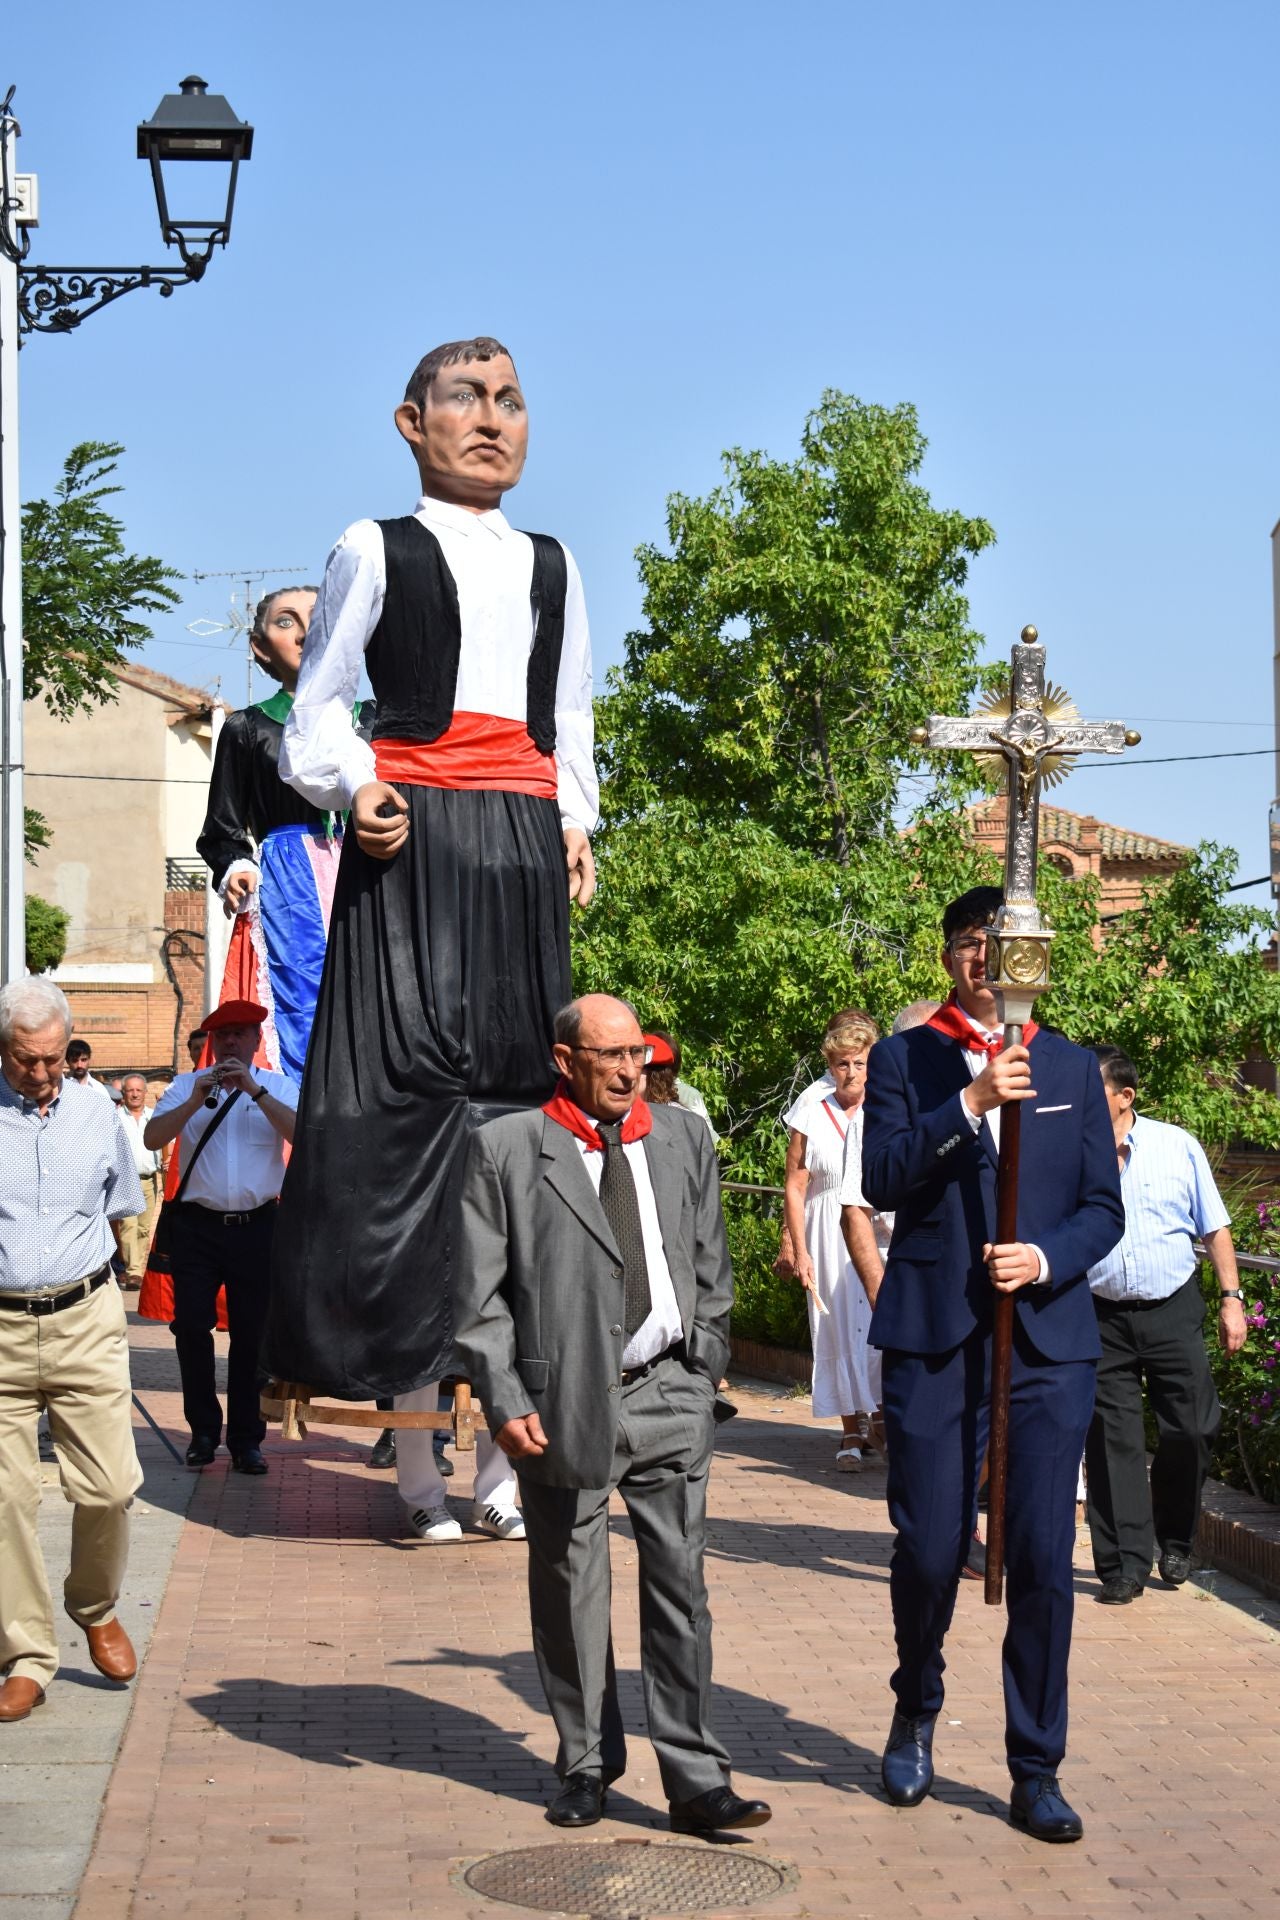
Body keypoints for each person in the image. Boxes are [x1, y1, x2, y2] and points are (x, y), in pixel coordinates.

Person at [267, 335, 598, 1402]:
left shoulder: (552, 560)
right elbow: (314, 712)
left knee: (519, 1090)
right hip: (411, 831)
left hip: (518, 838)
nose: (493, 419)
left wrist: (574, 818)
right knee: (403, 1093)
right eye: (466, 399)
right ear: (414, 423)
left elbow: (571, 709)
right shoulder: (374, 545)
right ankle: (400, 1400)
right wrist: (353, 786)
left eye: (509, 399)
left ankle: (506, 1413)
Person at [454, 993, 769, 1837]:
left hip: (671, 1392)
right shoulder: (507, 1149)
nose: (632, 1071)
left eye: (639, 1054)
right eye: (612, 1057)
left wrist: (704, 1367)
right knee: (571, 1589)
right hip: (563, 1407)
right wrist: (505, 1398)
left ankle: (697, 1780)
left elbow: (710, 1261)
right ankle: (587, 1764)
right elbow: (478, 1297)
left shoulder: (681, 1138)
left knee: (681, 1590)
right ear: (566, 1061)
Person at [861, 886, 1123, 1843]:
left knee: (1046, 1562)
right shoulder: (904, 1058)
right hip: (937, 1335)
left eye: (1004, 945)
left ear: (1035, 958)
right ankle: (916, 1702)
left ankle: (1035, 1765)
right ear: (948, 957)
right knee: (931, 1548)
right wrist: (969, 1102)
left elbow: (1104, 1207)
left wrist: (1045, 1256)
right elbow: (882, 1176)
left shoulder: (1070, 1065)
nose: (987, 960)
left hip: (1048, 1345)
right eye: (971, 944)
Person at [0, 980, 144, 1723]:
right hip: (1, 1328)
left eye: (54, 1058)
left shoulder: (96, 1112)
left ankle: (94, 1604)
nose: (44, 1073)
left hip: (85, 1316)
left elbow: (123, 1208)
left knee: (112, 1486)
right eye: (28, 1060)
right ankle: (26, 1653)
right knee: (5, 1499)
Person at [1084, 1045, 1245, 1603]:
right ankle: (1122, 1567)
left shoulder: (1177, 1146)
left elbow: (1215, 1227)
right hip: (1099, 1313)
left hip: (1172, 1306)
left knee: (1193, 1428)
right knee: (1111, 1441)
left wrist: (1231, 1297)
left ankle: (1175, 1536)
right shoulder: (1069, 1149)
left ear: (1124, 1098)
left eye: (1092, 1088)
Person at [198, 584, 374, 1084]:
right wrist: (236, 865)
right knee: (300, 1006)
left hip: (368, 865)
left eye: (318, 617)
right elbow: (222, 830)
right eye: (285, 620)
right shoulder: (246, 729)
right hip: (290, 885)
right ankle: (302, 1130)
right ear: (259, 648)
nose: (303, 629)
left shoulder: (374, 720)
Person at [144, 1000, 298, 1474]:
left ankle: (247, 1440)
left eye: (240, 1034)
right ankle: (203, 1432)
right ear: (212, 1040)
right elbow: (153, 1138)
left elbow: (304, 1134)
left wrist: (255, 1092)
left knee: (252, 1335)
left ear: (256, 1039)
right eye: (223, 1034)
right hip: (198, 1227)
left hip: (257, 1225)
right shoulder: (186, 1087)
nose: (231, 1042)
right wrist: (193, 1101)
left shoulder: (277, 1085)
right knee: (191, 1328)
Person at [782, 1010, 884, 1470]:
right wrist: (799, 1248)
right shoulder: (811, 1103)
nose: (851, 1072)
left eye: (860, 1062)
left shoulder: (886, 1101)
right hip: (825, 1224)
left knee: (880, 1322)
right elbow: (795, 1182)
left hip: (876, 1224)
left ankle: (882, 1420)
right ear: (831, 1063)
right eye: (843, 1063)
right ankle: (849, 1428)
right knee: (836, 1325)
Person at [115, 1073, 162, 1291]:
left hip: (149, 1180)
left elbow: (164, 1144)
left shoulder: (154, 1117)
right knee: (128, 1225)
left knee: (143, 1228)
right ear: (124, 1093)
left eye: (138, 1090)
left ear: (144, 1093)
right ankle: (134, 1272)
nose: (134, 1094)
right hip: (125, 1180)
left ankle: (135, 1269)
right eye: (130, 1090)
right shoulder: (115, 1118)